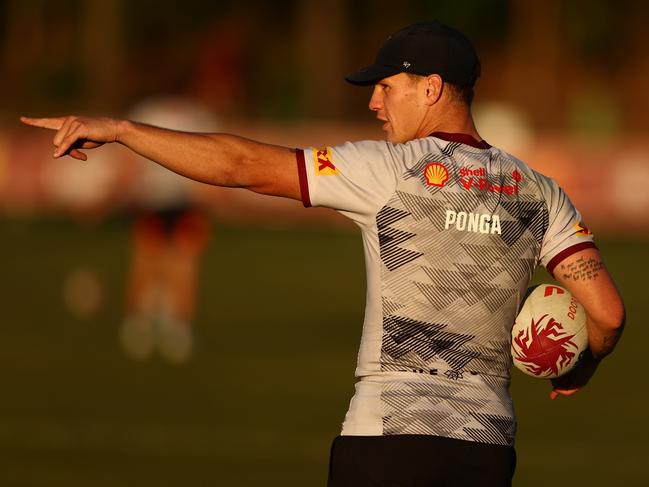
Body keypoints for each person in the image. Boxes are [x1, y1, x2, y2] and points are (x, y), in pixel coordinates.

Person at [22, 20, 625, 487]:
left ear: (432, 88)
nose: (374, 104)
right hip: (488, 449)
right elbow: (608, 315)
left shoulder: (387, 169)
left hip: (384, 438)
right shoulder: (539, 191)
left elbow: (241, 166)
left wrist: (125, 133)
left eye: (386, 87)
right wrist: (584, 363)